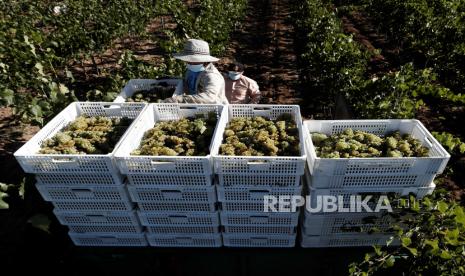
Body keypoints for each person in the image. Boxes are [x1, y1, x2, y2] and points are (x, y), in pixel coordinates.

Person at [164, 39, 228, 104]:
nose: (188, 62)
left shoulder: (212, 75)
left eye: (192, 60)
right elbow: (187, 84)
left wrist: (180, 99)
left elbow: (209, 97)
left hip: (214, 110)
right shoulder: (191, 70)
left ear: (204, 60)